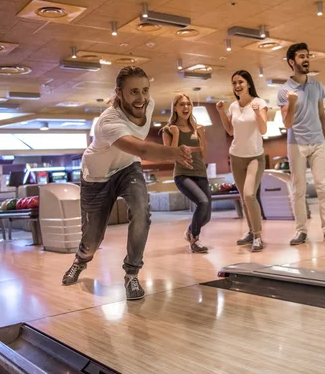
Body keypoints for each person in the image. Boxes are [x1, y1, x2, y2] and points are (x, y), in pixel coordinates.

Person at [61, 66, 193, 301]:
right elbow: (139, 147)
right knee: (92, 241)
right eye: (133, 92)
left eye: (145, 90)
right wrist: (173, 152)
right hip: (97, 177)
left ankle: (132, 274)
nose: (141, 98)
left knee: (142, 209)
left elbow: (135, 152)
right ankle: (80, 260)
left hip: (127, 167)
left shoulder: (147, 105)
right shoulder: (108, 121)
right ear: (119, 93)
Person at [277, 42, 325, 246]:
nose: (306, 59)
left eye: (307, 56)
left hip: (318, 142)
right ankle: (301, 231)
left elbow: (322, 113)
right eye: (301, 56)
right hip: (296, 144)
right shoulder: (284, 90)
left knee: (323, 187)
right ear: (291, 62)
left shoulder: (317, 85)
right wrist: (292, 102)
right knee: (299, 189)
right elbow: (287, 124)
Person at [216, 70, 268, 252]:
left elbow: (263, 130)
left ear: (248, 83)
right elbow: (230, 131)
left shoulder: (259, 103)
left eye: (240, 82)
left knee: (249, 195)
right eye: (234, 83)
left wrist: (257, 113)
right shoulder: (233, 106)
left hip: (255, 156)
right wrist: (221, 112)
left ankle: (258, 236)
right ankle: (250, 231)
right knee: (244, 198)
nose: (237, 86)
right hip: (236, 156)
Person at [161, 93, 210, 253]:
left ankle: (189, 231)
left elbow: (204, 154)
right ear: (175, 108)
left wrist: (202, 137)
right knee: (202, 202)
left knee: (207, 216)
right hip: (183, 174)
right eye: (181, 104)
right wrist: (176, 135)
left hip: (201, 172)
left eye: (188, 104)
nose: (186, 107)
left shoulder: (197, 128)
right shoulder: (168, 130)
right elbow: (170, 155)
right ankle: (194, 240)